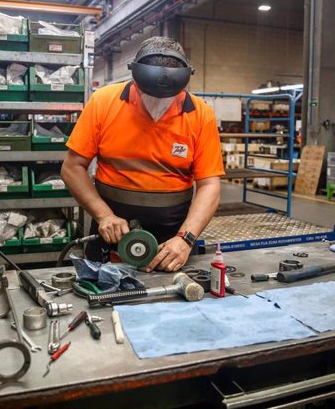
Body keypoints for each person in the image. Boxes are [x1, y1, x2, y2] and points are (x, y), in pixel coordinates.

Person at [61, 36, 224, 272]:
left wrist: (185, 239)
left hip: (172, 237)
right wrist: (104, 215)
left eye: (167, 98)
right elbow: (72, 167)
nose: (157, 104)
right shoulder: (104, 102)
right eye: (148, 94)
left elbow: (209, 185)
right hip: (111, 233)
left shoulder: (201, 114)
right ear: (134, 77)